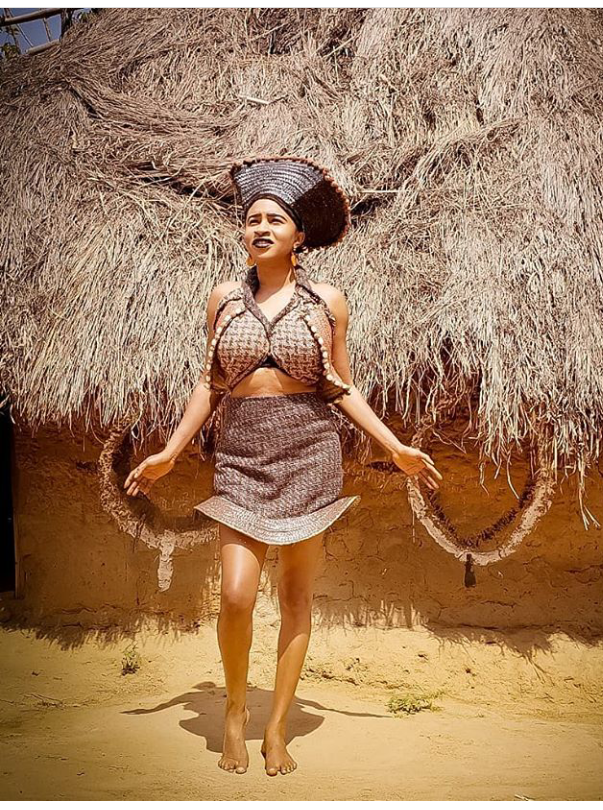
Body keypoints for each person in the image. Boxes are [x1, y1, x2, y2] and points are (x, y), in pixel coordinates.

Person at [123, 155, 442, 777]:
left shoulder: (328, 302)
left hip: (309, 457)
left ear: (299, 235)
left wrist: (394, 446)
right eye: (252, 220)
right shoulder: (224, 299)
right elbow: (210, 383)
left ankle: (276, 727)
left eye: (274, 219)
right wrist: (169, 452)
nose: (261, 228)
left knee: (295, 595)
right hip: (242, 458)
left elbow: (340, 387)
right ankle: (235, 712)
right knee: (236, 594)